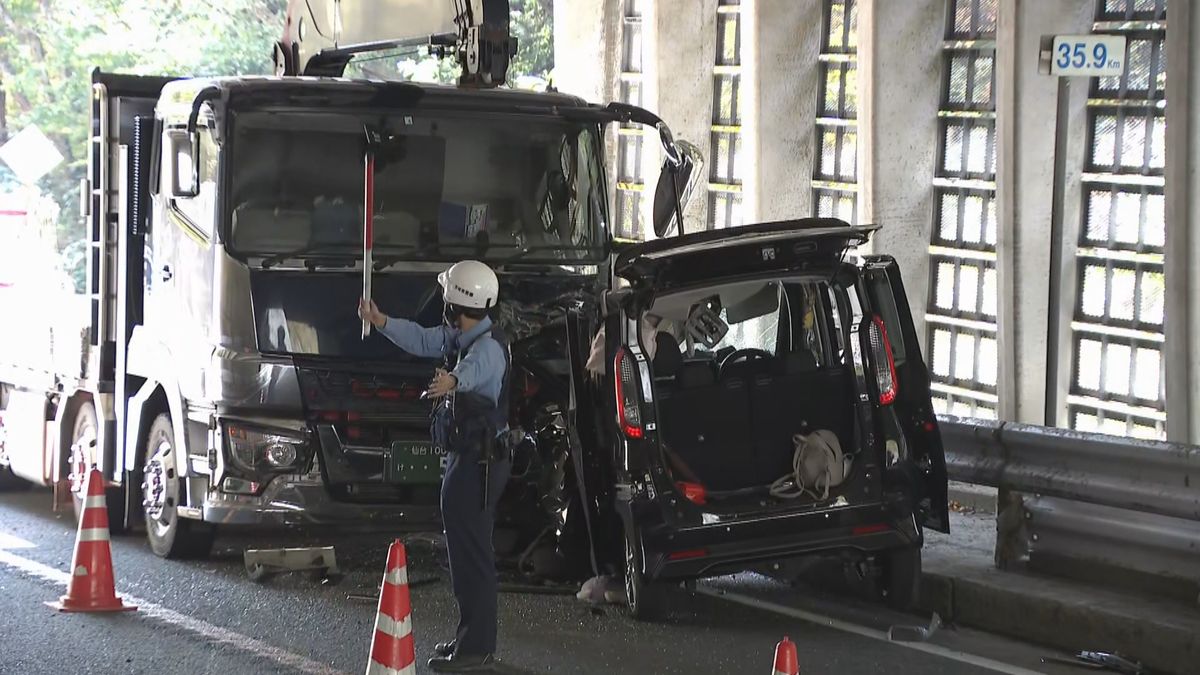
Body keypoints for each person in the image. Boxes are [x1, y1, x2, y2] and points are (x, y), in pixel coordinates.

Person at [358, 260, 511, 672]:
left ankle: (476, 650)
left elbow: (477, 372)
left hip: (480, 464)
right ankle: (469, 642)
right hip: (471, 459)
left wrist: (453, 382)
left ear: (455, 305)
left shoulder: (487, 348)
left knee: (472, 555)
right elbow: (424, 340)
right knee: (464, 552)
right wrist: (382, 320)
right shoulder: (464, 336)